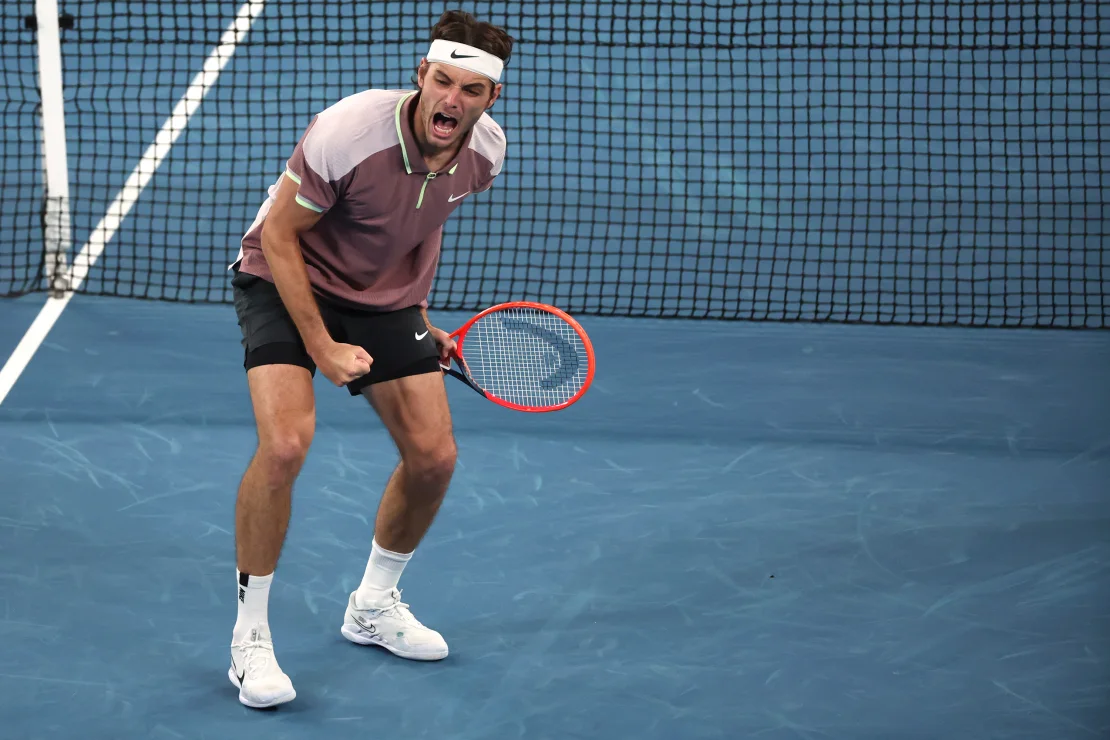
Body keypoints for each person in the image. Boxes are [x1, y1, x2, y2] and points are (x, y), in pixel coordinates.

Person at [224, 9, 511, 709]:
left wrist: (413, 315)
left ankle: (372, 607)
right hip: (283, 275)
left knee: (434, 458)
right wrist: (320, 344)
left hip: (382, 302)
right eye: (444, 82)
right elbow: (284, 237)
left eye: (471, 91)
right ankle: (249, 639)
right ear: (422, 75)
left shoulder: (485, 155)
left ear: (490, 99)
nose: (453, 101)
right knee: (287, 444)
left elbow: (419, 228)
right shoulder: (348, 132)